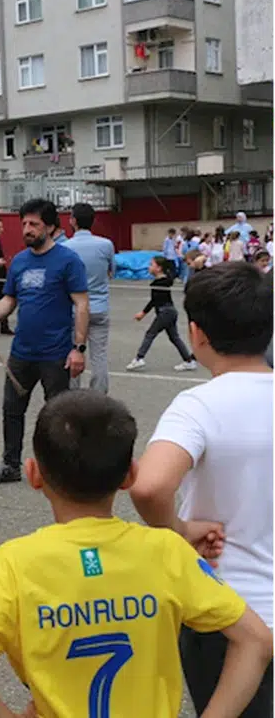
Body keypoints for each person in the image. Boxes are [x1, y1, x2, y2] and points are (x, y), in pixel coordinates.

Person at [0, 390, 273, 718]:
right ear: (130, 475)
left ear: (33, 474)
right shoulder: (166, 551)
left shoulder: (11, 563)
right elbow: (256, 640)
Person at [130, 262, 275, 718]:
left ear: (197, 333)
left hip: (228, 613)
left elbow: (150, 485)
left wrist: (178, 527)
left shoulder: (198, 406)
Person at [0, 199, 88, 485]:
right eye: (24, 223)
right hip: (21, 353)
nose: (27, 229)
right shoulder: (20, 261)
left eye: (34, 224)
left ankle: (58, 469)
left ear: (50, 227)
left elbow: (82, 304)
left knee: (57, 415)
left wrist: (78, 349)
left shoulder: (68, 260)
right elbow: (9, 300)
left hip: (56, 354)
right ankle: (10, 465)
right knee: (11, 410)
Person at [63, 202, 115, 393]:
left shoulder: (65, 247)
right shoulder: (106, 244)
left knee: (72, 351)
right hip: (99, 306)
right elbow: (112, 271)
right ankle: (99, 395)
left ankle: (72, 394)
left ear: (73, 221)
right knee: (99, 355)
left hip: (74, 308)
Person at [127, 256, 197, 372]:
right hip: (169, 312)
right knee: (174, 337)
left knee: (150, 334)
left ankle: (139, 358)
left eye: (151, 265)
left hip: (166, 312)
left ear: (159, 268)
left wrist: (143, 313)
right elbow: (154, 300)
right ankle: (188, 361)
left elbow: (154, 301)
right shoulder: (162, 281)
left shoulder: (162, 282)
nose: (149, 267)